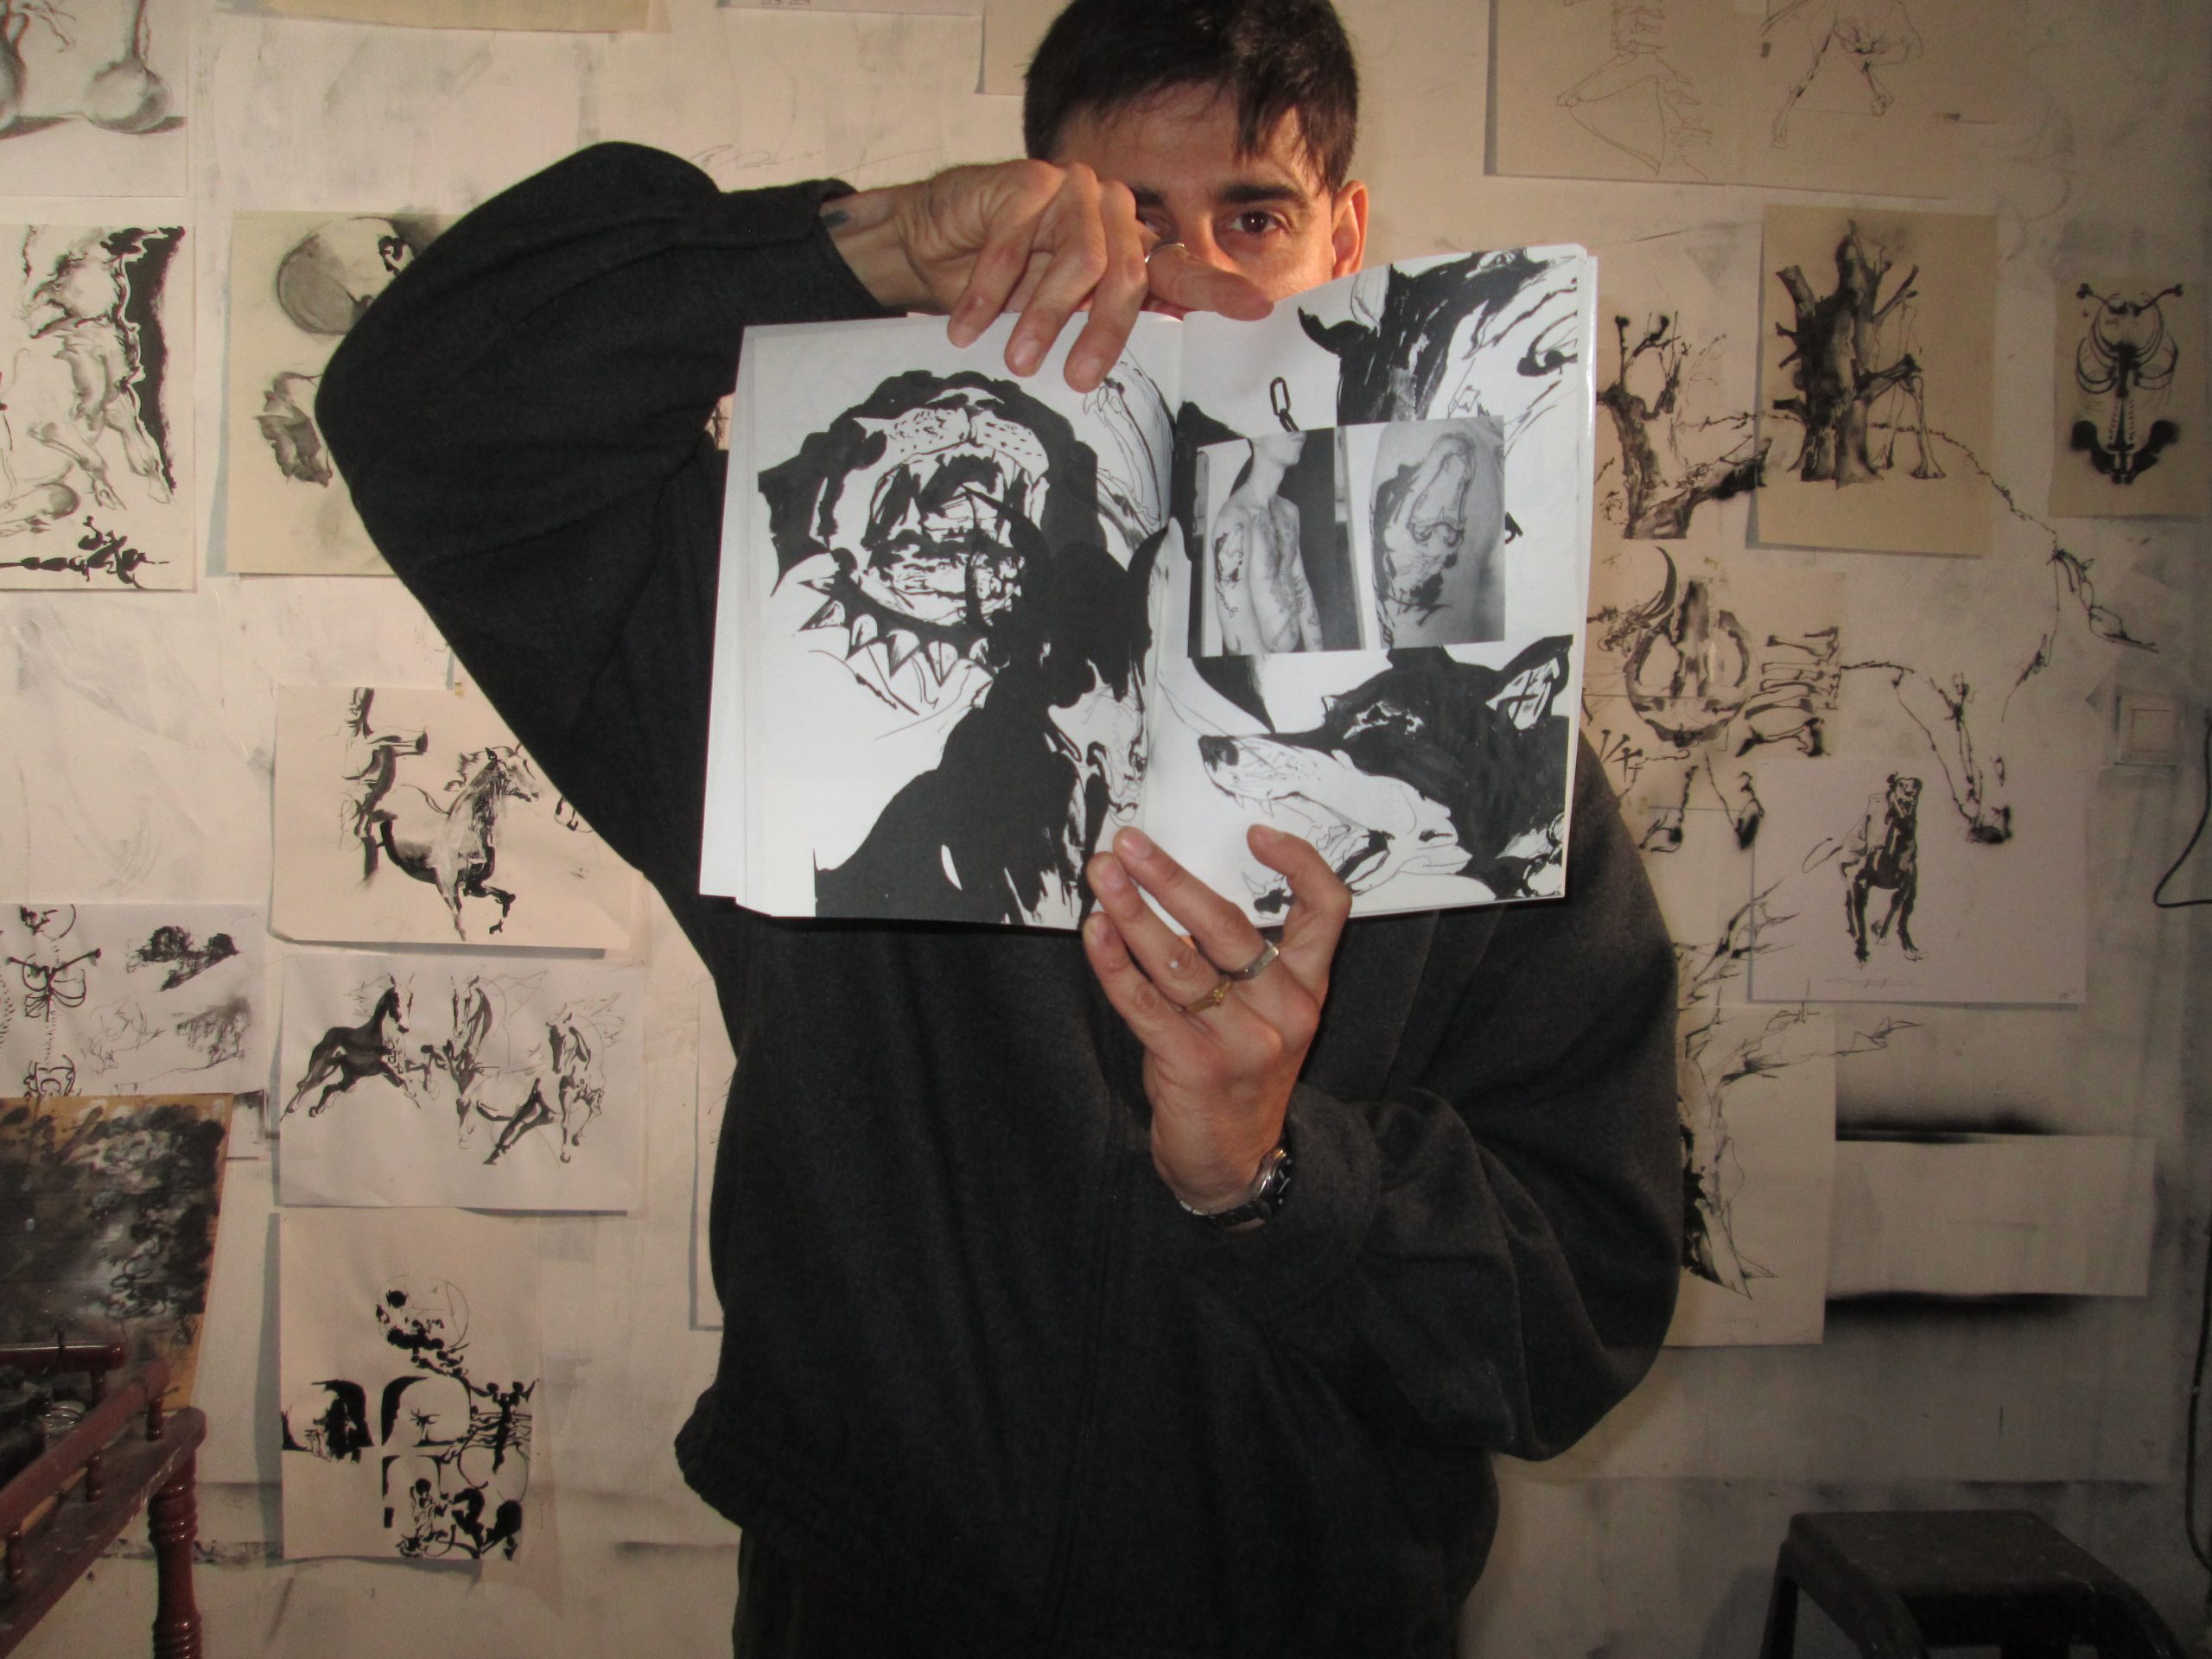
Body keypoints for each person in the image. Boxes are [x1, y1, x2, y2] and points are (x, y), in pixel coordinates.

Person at [317, 2, 1682, 1653]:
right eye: (1126, 222)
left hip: (1309, 1613)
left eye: (1253, 216)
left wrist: (1273, 1178)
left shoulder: (1484, 755)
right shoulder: (800, 654)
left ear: (1347, 243)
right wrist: (864, 248)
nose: (1186, 285)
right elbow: (422, 410)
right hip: (874, 1604)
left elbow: (1581, 1304)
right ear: (1038, 221)